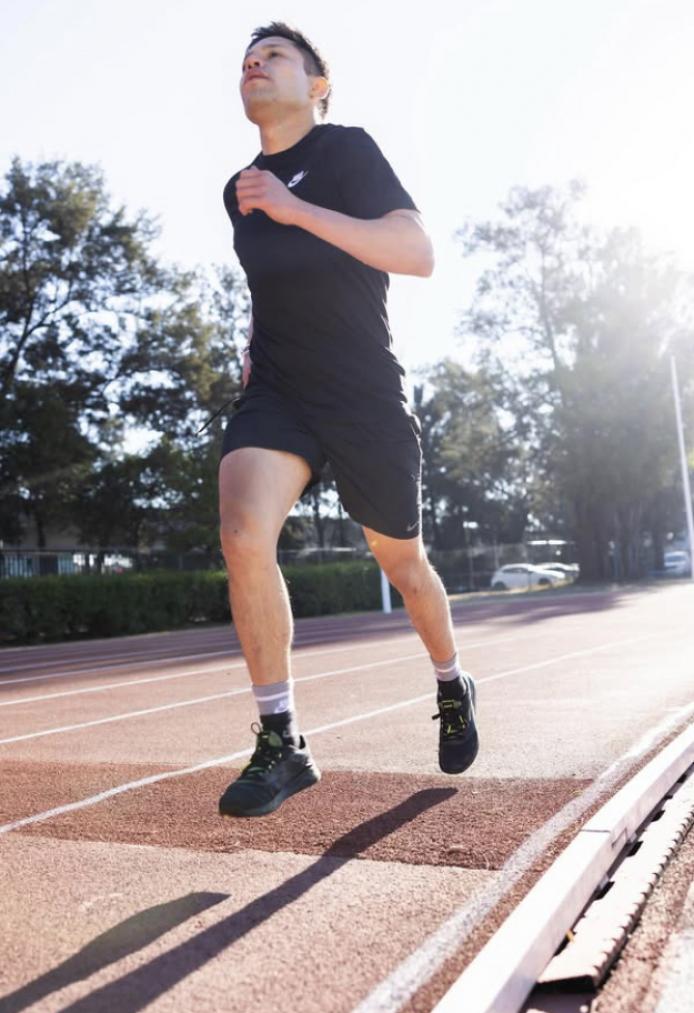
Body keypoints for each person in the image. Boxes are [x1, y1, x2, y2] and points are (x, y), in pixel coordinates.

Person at [217, 21, 479, 818]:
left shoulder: (348, 152)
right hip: (281, 390)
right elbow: (275, 285)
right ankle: (282, 739)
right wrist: (253, 344)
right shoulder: (239, 190)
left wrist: (297, 209)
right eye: (249, 58)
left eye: (276, 55)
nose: (255, 63)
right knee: (242, 530)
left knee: (403, 564)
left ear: (317, 86)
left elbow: (416, 252)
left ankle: (451, 680)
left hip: (363, 390)